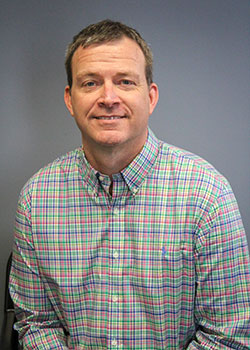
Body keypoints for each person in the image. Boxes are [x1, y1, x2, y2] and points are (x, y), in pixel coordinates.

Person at [9, 19, 250, 350]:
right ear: (70, 99)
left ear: (150, 97)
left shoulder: (208, 195)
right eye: (91, 83)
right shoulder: (36, 200)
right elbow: (37, 321)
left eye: (125, 82)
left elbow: (228, 335)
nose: (108, 98)